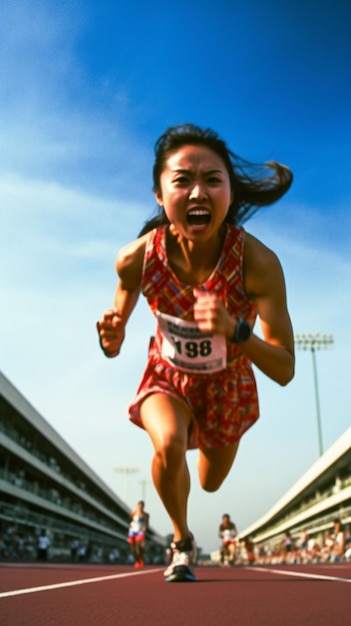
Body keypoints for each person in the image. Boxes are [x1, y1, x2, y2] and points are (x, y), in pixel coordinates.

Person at [97, 123, 295, 582]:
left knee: (209, 480)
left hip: (228, 386)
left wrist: (237, 331)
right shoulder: (135, 258)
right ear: (159, 193)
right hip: (166, 375)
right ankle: (182, 540)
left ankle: (195, 504)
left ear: (228, 190)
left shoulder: (257, 263)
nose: (197, 191)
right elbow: (116, 327)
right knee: (167, 444)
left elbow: (285, 369)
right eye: (182, 180)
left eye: (212, 179)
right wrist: (111, 339)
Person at [128, 500, 149, 568]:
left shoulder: (146, 515)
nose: (140, 507)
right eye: (139, 506)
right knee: (133, 549)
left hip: (140, 532)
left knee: (140, 546)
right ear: (137, 506)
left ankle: (141, 559)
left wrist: (145, 527)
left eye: (141, 506)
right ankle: (137, 560)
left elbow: (147, 523)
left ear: (143, 507)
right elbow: (129, 519)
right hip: (132, 531)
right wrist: (130, 524)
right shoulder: (133, 512)